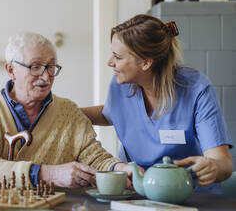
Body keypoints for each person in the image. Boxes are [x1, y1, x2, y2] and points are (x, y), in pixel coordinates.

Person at [81, 14, 234, 194]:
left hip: (190, 193)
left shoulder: (196, 88)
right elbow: (110, 114)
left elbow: (224, 163)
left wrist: (213, 167)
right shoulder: (120, 86)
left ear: (146, 63)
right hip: (139, 191)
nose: (109, 62)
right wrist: (65, 112)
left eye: (118, 57)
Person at [0, 32, 133, 189]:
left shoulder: (69, 111)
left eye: (51, 67)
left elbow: (95, 157)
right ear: (11, 70)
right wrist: (48, 174)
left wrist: (119, 168)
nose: (46, 77)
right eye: (35, 67)